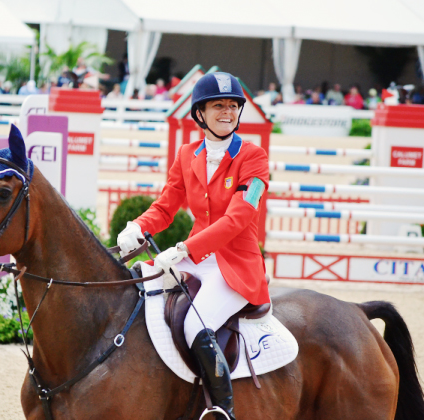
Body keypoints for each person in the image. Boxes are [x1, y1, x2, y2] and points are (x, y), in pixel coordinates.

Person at [117, 72, 269, 420]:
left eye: (233, 105)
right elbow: (166, 206)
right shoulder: (187, 154)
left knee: (195, 327)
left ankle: (222, 410)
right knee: (136, 290)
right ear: (200, 113)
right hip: (196, 259)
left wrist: (185, 248)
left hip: (235, 266)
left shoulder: (253, 157)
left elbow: (239, 218)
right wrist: (137, 226)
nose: (227, 112)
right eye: (219, 106)